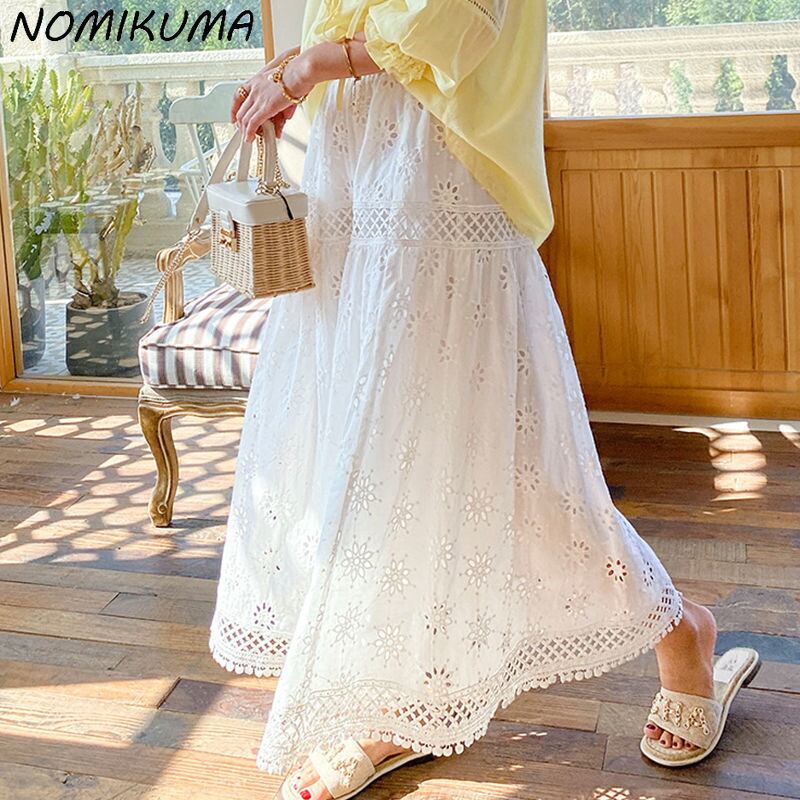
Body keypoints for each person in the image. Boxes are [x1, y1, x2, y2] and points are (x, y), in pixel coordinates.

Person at [209, 2, 759, 797]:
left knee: (511, 466)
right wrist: (295, 69)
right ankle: (397, 703)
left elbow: (457, 24)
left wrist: (308, 67)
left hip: (440, 165)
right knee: (370, 450)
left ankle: (680, 632)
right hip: (353, 162)